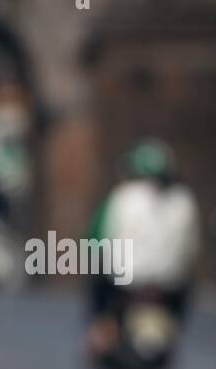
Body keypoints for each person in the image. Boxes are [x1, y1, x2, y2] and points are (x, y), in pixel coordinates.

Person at [85, 139, 201, 356]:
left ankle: (102, 334)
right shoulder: (185, 200)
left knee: (99, 296)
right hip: (170, 284)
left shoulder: (121, 196)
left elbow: (96, 239)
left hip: (123, 282)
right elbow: (191, 247)